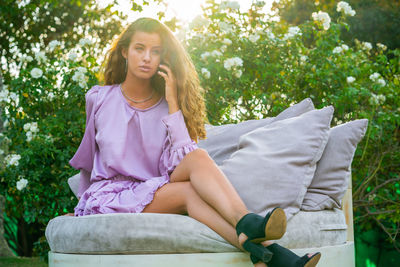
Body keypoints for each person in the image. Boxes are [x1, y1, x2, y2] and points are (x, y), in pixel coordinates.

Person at [65, 17, 321, 267]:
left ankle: (256, 240)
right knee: (189, 194)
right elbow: (88, 159)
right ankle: (273, 253)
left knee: (197, 158)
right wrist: (80, 207)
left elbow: (179, 160)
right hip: (112, 196)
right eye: (139, 49)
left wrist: (173, 102)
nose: (146, 58)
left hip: (153, 189)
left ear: (163, 59)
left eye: (155, 52)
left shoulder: (167, 106)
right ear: (124, 51)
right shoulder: (98, 98)